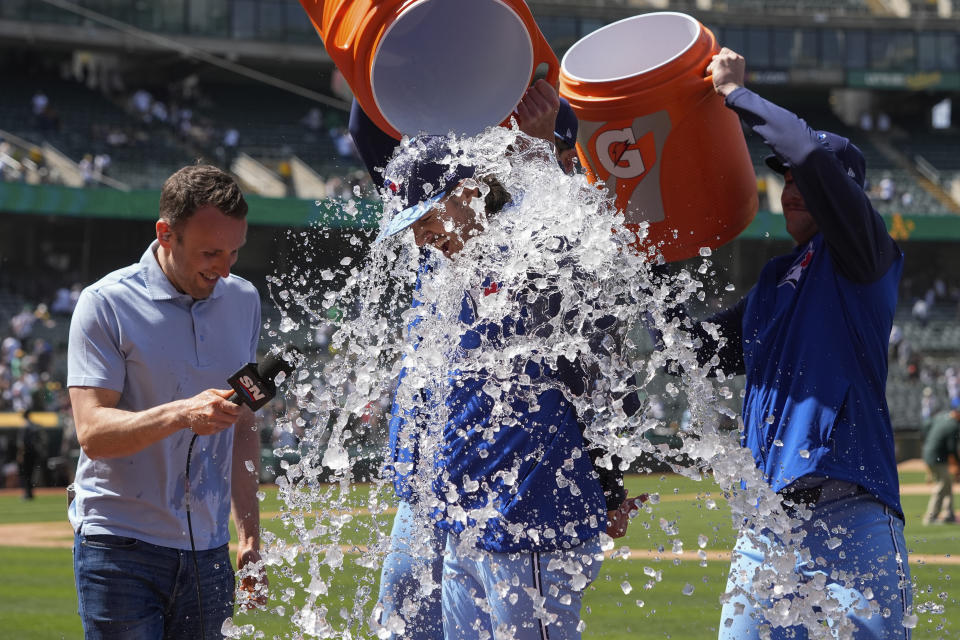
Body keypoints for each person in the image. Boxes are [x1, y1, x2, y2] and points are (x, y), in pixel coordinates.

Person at [354, 81, 640, 640]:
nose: (420, 237)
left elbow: (600, 373)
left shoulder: (535, 254)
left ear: (469, 190)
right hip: (463, 510)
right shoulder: (447, 260)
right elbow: (370, 132)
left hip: (527, 514)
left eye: (427, 218)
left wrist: (610, 483)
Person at [667, 49, 911, 638]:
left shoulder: (863, 252)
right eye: (787, 178)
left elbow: (807, 152)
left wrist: (736, 95)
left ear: (842, 191)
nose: (793, 185)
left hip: (850, 517)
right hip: (766, 527)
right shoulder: (776, 280)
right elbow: (696, 348)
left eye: (807, 179)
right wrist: (647, 262)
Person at [67, 164, 265, 639]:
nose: (224, 268)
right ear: (166, 234)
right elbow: (92, 433)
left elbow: (244, 426)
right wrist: (181, 412)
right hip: (119, 544)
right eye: (211, 252)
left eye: (234, 252)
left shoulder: (244, 300)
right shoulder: (105, 303)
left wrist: (251, 538)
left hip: (210, 550)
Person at [921, 406, 960, 525]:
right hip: (938, 458)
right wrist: (958, 464)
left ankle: (949, 514)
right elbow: (952, 449)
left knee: (947, 484)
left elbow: (926, 424)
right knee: (942, 486)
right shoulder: (953, 426)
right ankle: (930, 517)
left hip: (928, 454)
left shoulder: (941, 417)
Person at [17, 407, 45, 500]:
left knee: (26, 474)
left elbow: (22, 443)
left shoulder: (24, 426)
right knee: (31, 473)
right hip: (34, 452)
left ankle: (27, 493)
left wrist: (20, 455)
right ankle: (30, 493)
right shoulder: (34, 425)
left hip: (26, 453)